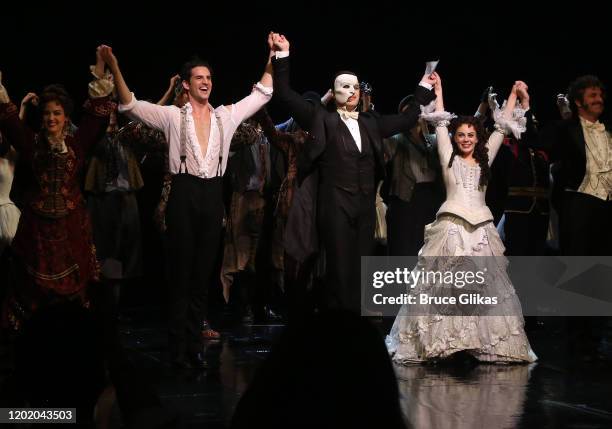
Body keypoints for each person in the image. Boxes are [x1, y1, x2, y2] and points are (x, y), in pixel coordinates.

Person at [99, 34, 274, 368]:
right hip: (183, 192)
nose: (205, 82)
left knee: (202, 274)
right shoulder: (173, 117)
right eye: (199, 78)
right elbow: (131, 106)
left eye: (208, 78)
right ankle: (178, 347)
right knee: (180, 274)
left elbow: (262, 93)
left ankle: (194, 346)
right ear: (186, 84)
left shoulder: (226, 116)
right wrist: (116, 67)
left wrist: (273, 56)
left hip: (212, 195)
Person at [271, 34, 435, 313]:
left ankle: (356, 323)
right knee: (338, 266)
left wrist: (424, 83)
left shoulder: (371, 122)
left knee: (361, 267)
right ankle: (339, 323)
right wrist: (283, 55)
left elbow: (408, 118)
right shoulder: (322, 118)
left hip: (364, 204)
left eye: (356, 87)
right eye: (344, 87)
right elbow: (286, 95)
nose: (351, 91)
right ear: (334, 92)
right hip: (334, 202)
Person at [386, 73, 537, 363]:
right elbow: (441, 123)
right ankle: (444, 342)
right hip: (452, 226)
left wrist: (515, 96)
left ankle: (478, 342)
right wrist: (439, 89)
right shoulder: (448, 156)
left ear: (477, 138)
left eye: (471, 135)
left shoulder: (485, 158)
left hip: (480, 228)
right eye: (461, 135)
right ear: (455, 138)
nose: (466, 139)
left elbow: (501, 128)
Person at [0, 51, 114, 331]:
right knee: (32, 289)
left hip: (70, 227)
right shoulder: (31, 144)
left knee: (76, 289)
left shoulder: (77, 144)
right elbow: (9, 118)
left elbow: (96, 115)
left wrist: (100, 67)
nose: (51, 118)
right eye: (48, 113)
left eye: (57, 113)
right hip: (37, 230)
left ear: (65, 117)